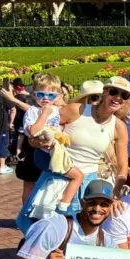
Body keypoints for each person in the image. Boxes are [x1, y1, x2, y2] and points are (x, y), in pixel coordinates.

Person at [16, 77, 130, 233]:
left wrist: (115, 194)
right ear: (104, 92)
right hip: (57, 175)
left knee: (77, 231)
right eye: (114, 92)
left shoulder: (119, 127)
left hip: (88, 183)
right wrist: (37, 142)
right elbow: (39, 132)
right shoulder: (76, 110)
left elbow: (122, 167)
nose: (118, 98)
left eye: (124, 95)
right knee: (44, 228)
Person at [21, 73, 84, 214]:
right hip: (45, 154)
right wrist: (44, 114)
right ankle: (64, 205)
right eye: (41, 94)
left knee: (53, 183)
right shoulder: (33, 111)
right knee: (78, 176)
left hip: (56, 151)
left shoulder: (57, 111)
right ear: (33, 94)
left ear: (57, 96)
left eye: (50, 95)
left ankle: (51, 207)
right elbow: (33, 132)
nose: (45, 98)